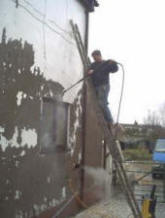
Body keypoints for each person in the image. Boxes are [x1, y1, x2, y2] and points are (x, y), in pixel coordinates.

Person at [87, 50, 118, 129]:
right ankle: (106, 119)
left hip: (103, 86)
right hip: (96, 87)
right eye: (93, 58)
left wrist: (114, 63)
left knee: (102, 103)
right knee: (100, 104)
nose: (94, 59)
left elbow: (115, 69)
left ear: (99, 55)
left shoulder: (106, 64)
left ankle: (110, 121)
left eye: (95, 57)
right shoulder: (93, 65)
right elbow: (88, 71)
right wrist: (89, 72)